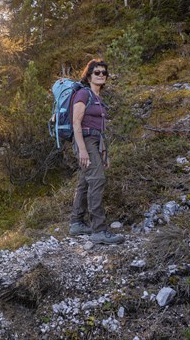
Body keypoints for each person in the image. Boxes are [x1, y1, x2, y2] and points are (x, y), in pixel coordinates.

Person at [69, 59, 124, 245]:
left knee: (85, 181)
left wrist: (104, 154)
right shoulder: (83, 94)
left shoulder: (98, 98)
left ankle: (76, 223)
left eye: (104, 73)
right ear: (89, 75)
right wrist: (82, 149)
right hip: (84, 141)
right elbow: (76, 123)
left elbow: (100, 130)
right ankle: (99, 230)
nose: (101, 75)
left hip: (95, 142)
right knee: (98, 179)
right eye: (97, 72)